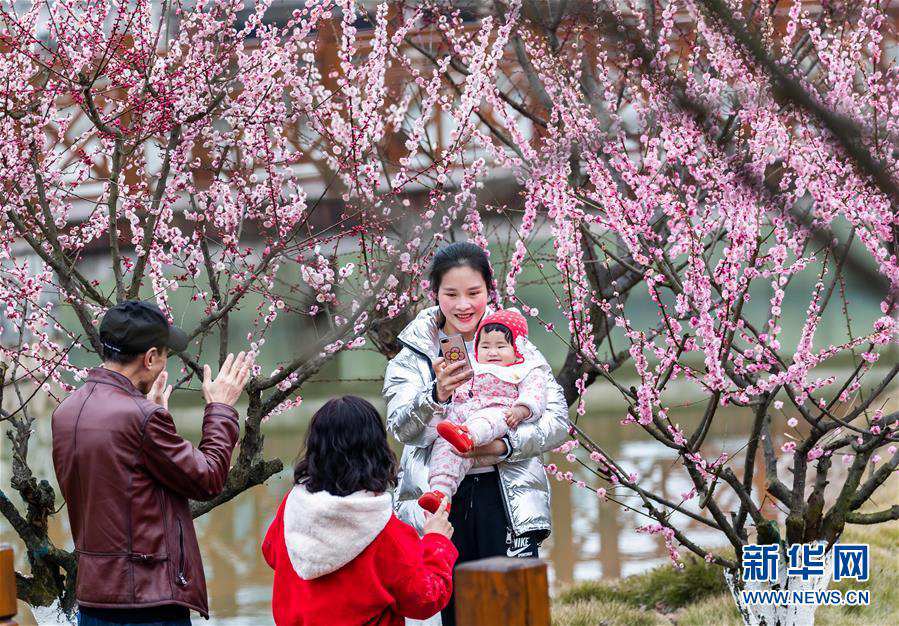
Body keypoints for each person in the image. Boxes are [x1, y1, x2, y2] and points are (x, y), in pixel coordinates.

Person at [382, 242, 570, 626]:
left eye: (474, 293)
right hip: (441, 501)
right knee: (459, 611)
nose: (464, 305)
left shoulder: (517, 348)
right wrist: (435, 395)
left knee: (517, 609)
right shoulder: (412, 356)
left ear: (490, 292)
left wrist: (503, 446)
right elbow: (401, 429)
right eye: (451, 294)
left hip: (507, 497)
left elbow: (557, 422)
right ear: (434, 294)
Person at [51, 300, 254, 626]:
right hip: (147, 603)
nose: (163, 366)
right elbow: (210, 478)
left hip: (93, 600)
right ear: (149, 358)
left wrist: (154, 419)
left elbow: (123, 486)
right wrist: (220, 408)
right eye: (163, 356)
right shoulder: (139, 417)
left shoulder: (66, 412)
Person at [262, 395, 457, 625]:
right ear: (376, 450)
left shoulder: (293, 506)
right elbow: (424, 599)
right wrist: (436, 541)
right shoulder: (383, 530)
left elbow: (271, 552)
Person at [418, 309, 551, 513]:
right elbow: (457, 394)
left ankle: (468, 435)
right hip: (462, 415)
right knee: (444, 447)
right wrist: (444, 385)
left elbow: (535, 395)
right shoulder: (473, 366)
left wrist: (521, 410)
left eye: (501, 346)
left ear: (517, 348)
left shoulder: (526, 368)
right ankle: (440, 494)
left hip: (499, 410)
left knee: (485, 419)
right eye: (485, 346)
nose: (492, 352)